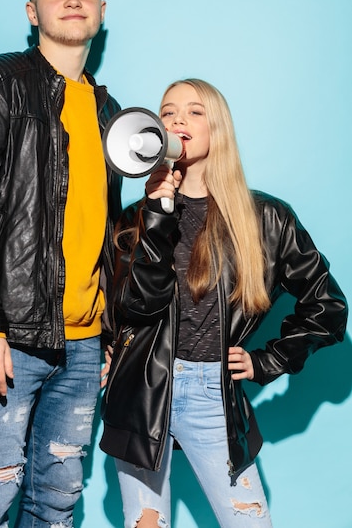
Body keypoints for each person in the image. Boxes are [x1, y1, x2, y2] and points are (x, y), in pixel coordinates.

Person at [99, 78, 348, 528]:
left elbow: (327, 305)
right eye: (168, 111)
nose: (177, 119)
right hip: (139, 391)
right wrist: (158, 214)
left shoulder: (266, 218)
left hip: (209, 394)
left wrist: (268, 361)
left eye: (195, 111)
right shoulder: (138, 217)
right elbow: (133, 308)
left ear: (219, 128)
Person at [0, 0, 123, 528]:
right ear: (32, 11)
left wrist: (111, 333)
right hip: (9, 339)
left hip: (85, 345)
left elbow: (109, 233)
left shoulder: (111, 113)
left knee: (57, 506)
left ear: (101, 12)